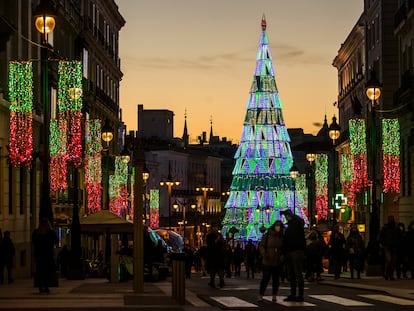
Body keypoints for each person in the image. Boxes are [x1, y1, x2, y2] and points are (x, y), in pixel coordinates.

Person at [281, 209, 306, 302]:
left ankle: (296, 294)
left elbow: (288, 240)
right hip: (297, 251)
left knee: (295, 274)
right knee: (295, 274)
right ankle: (297, 294)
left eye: (285, 216)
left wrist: (284, 251)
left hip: (293, 251)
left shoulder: (292, 226)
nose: (285, 218)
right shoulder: (297, 225)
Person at [257, 221, 284, 303]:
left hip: (277, 260)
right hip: (267, 260)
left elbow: (283, 247)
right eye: (277, 226)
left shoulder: (281, 236)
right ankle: (261, 295)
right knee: (265, 279)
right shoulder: (268, 235)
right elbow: (261, 245)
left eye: (279, 226)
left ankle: (274, 295)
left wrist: (282, 255)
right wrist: (264, 254)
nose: (278, 227)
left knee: (276, 280)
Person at [32, 218, 58, 293]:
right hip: (48, 255)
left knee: (40, 271)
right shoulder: (50, 232)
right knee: (47, 271)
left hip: (39, 255)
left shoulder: (36, 232)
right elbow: (55, 240)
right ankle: (46, 286)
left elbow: (33, 242)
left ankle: (40, 286)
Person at [379, 216, 400, 280]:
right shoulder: (385, 228)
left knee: (393, 262)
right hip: (387, 246)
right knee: (389, 260)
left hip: (394, 246)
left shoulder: (396, 228)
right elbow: (381, 237)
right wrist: (382, 244)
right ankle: (387, 273)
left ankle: (390, 274)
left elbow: (399, 237)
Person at [206, 223, 225, 288]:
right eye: (214, 227)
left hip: (219, 254)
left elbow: (223, 243)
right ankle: (212, 281)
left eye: (216, 227)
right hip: (213, 254)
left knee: (220, 269)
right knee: (213, 269)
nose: (215, 228)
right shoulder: (210, 235)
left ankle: (221, 281)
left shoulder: (219, 235)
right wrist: (217, 239)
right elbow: (210, 244)